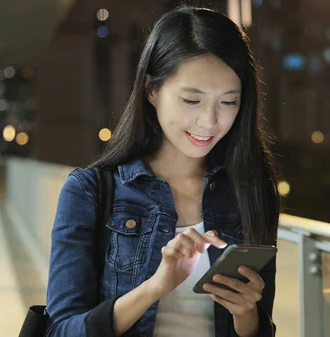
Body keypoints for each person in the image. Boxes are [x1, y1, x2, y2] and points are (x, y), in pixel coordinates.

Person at [45, 6, 280, 337]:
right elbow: (60, 331)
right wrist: (155, 287)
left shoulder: (251, 190)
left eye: (228, 102)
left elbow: (261, 327)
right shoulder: (90, 191)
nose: (209, 121)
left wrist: (245, 313)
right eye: (191, 100)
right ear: (151, 90)